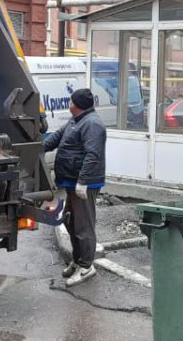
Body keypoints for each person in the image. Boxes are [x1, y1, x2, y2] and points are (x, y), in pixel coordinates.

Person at [44, 87, 106, 286]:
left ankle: (87, 266)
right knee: (71, 222)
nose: (69, 104)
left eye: (71, 101)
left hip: (84, 184)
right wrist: (34, 147)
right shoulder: (75, 120)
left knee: (83, 225)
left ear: (76, 105)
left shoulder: (92, 124)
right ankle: (78, 261)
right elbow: (54, 139)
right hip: (70, 181)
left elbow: (92, 155)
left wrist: (83, 182)